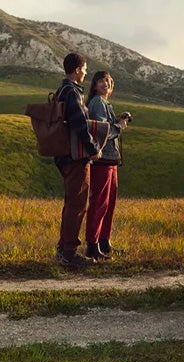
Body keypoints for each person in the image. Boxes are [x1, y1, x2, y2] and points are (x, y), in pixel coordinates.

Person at [54, 53, 103, 267]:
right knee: (77, 204)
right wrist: (93, 148)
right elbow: (79, 124)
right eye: (84, 68)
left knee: (71, 202)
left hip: (64, 155)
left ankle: (64, 248)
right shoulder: (72, 92)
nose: (85, 72)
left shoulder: (62, 90)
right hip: (75, 158)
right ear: (76, 70)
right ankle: (69, 252)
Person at [84, 71, 127, 260]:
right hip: (102, 160)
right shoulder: (98, 103)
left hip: (110, 160)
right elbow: (100, 130)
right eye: (101, 81)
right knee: (100, 202)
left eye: (108, 81)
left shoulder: (103, 103)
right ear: (94, 85)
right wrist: (119, 126)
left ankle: (104, 242)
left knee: (108, 202)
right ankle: (93, 245)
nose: (106, 84)